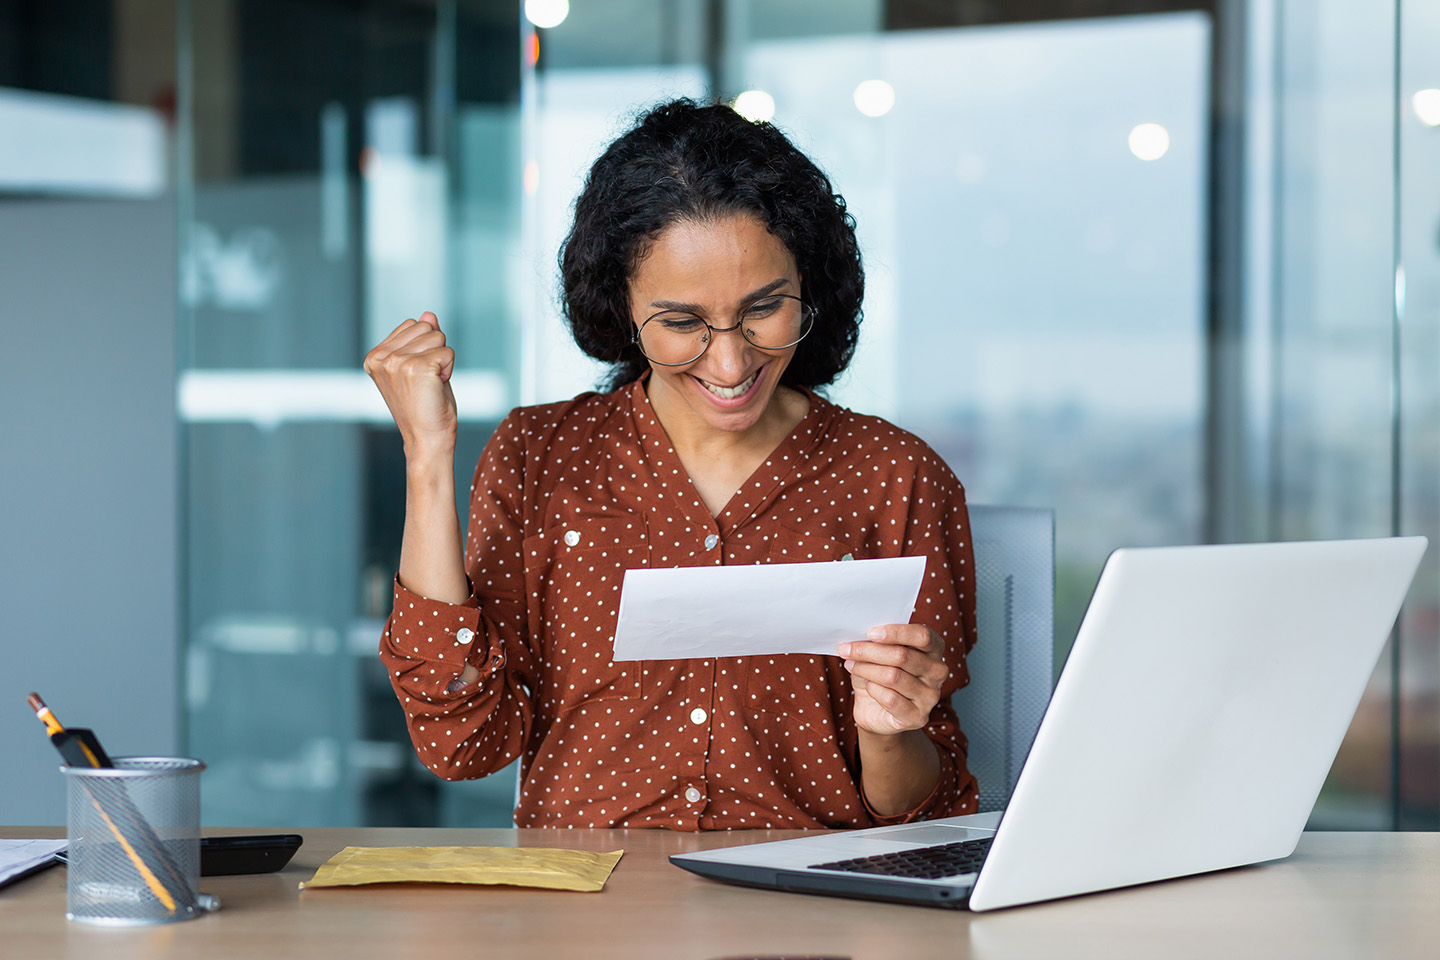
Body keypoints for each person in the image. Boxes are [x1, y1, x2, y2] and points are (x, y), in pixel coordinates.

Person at [365, 98, 978, 830]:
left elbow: (923, 803)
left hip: (809, 909)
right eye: (683, 322)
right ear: (622, 307)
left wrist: (890, 731)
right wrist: (427, 455)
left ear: (809, 285)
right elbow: (463, 743)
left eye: (765, 308)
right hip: (585, 920)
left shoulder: (895, 476)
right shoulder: (539, 457)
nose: (729, 360)